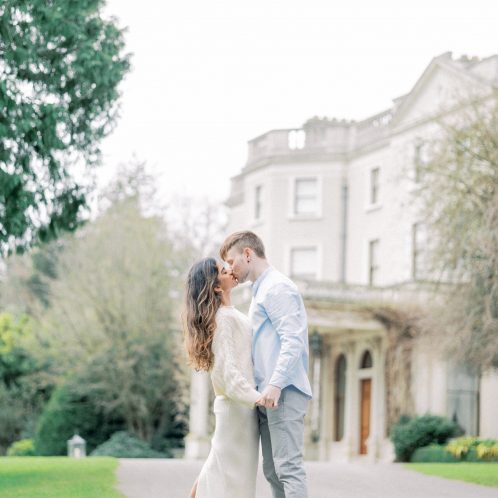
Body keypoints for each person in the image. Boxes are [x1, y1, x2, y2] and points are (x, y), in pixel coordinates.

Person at [220, 231, 312, 498]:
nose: (229, 269)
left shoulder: (277, 287)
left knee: (289, 469)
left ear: (248, 254)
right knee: (272, 470)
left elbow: (293, 340)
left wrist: (275, 383)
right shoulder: (259, 290)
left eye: (231, 260)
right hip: (266, 395)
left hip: (283, 391)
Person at [184, 257, 262, 498]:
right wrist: (259, 398)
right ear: (217, 286)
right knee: (231, 482)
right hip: (237, 409)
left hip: (239, 410)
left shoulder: (229, 314)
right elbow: (226, 372)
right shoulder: (224, 318)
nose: (231, 269)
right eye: (223, 269)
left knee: (225, 474)